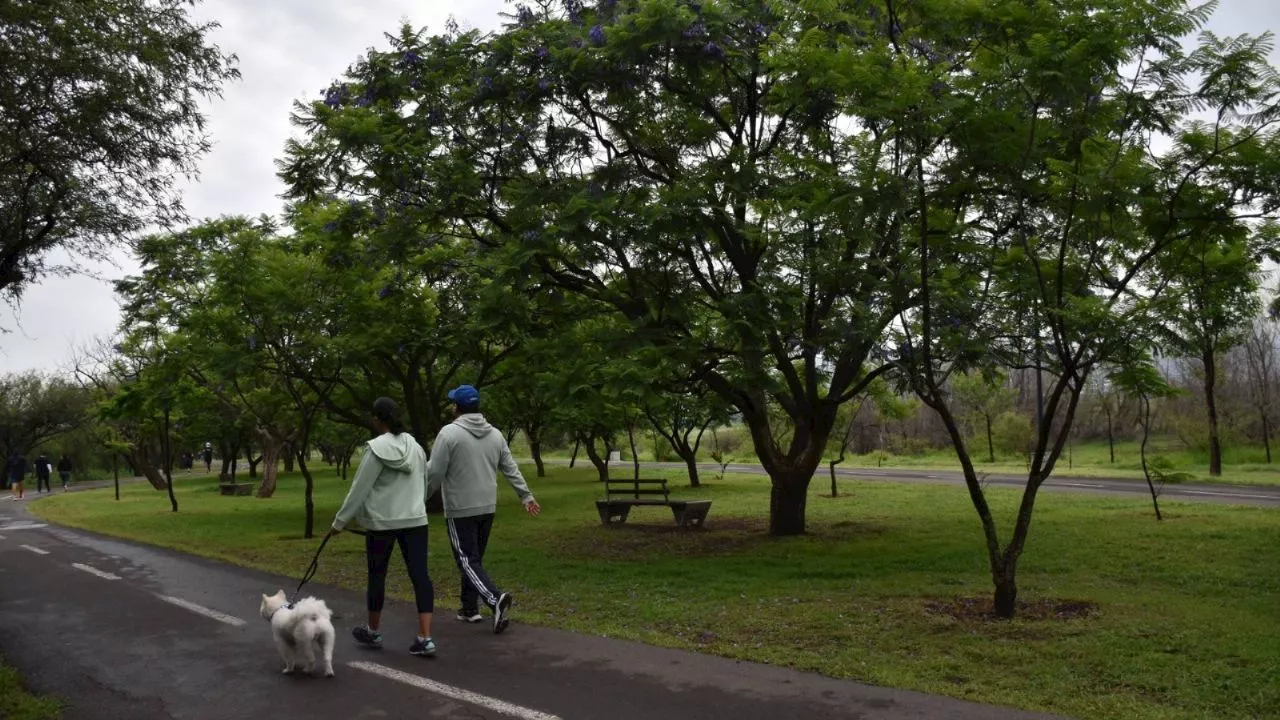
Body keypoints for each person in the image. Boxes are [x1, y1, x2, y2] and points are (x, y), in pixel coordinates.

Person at [427, 384, 541, 635]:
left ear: (457, 407)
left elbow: (434, 473)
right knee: (474, 559)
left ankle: (494, 598)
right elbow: (510, 467)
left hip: (460, 507)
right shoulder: (496, 435)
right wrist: (525, 495)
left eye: (452, 403)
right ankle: (469, 609)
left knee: (467, 560)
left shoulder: (448, 434)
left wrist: (421, 498)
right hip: (487, 506)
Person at [329, 397, 436, 657]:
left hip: (382, 522)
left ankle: (373, 631)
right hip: (415, 520)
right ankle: (425, 637)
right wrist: (417, 506)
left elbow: (359, 488)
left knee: (377, 575)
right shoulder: (416, 446)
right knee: (420, 576)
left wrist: (339, 523)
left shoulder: (375, 448)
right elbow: (425, 480)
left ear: (376, 419)